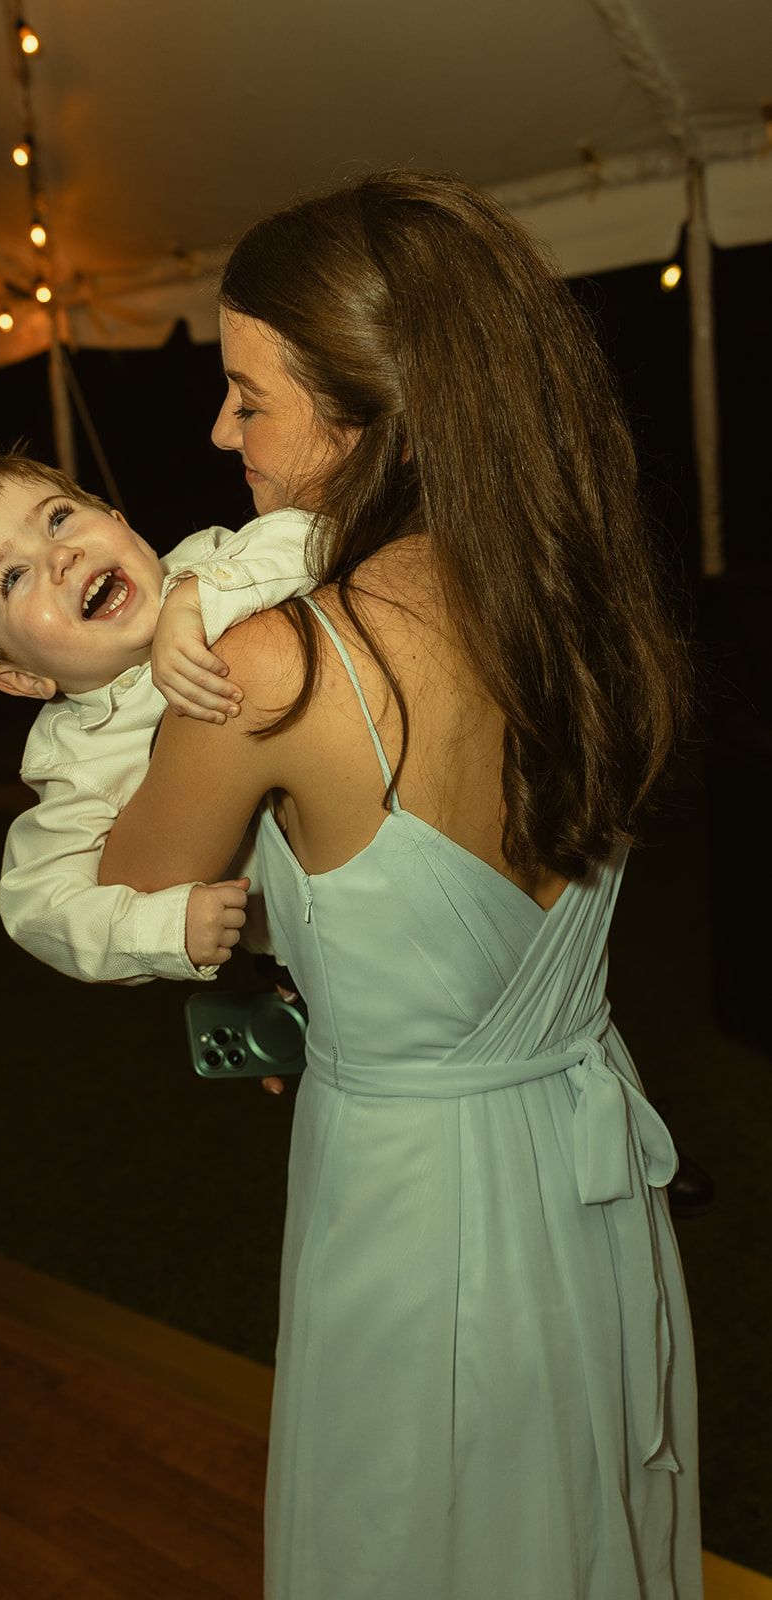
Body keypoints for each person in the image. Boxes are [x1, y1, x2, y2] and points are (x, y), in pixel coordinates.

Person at [99, 170, 702, 1598]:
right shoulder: (583, 604)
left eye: (248, 397)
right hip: (583, 1173)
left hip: (410, 1205)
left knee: (411, 1534)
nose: (217, 429)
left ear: (369, 417)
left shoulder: (269, 669)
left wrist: (106, 682)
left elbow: (127, 901)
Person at [0, 448, 314, 983]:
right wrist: (161, 929)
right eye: (13, 577)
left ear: (121, 523)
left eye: (57, 518)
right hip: (315, 950)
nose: (60, 555)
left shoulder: (209, 561)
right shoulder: (77, 756)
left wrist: (195, 600)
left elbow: (311, 534)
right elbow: (37, 906)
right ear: (22, 678)